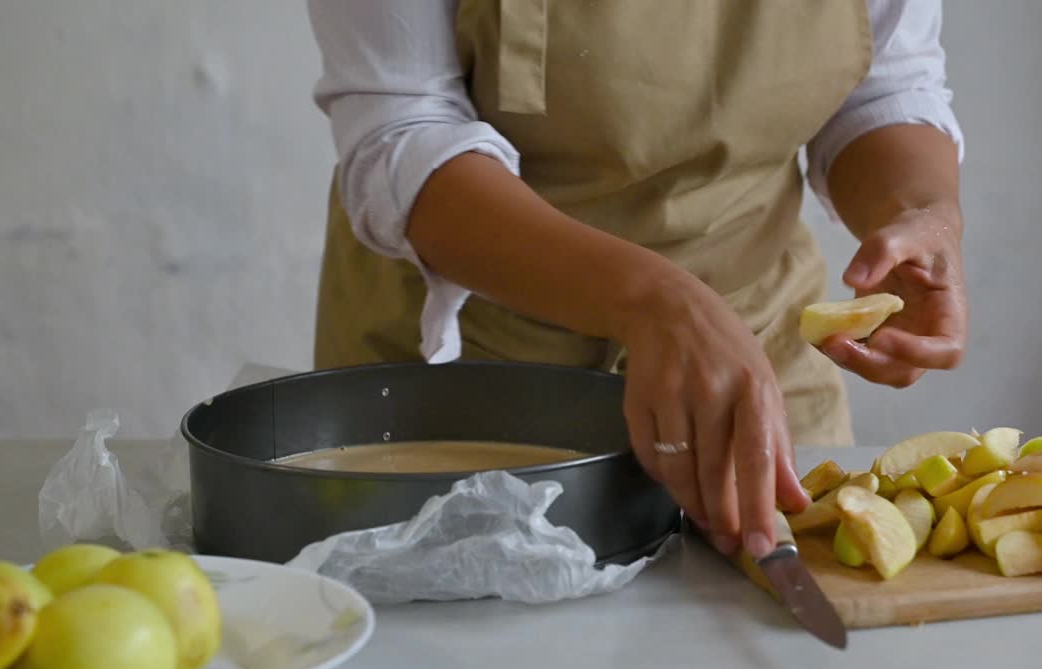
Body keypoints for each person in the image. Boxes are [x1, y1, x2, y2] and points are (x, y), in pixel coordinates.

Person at [305, 0, 968, 563]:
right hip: (473, 372)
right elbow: (401, 130)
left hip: (759, 359)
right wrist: (654, 302)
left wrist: (918, 215)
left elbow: (884, 87)